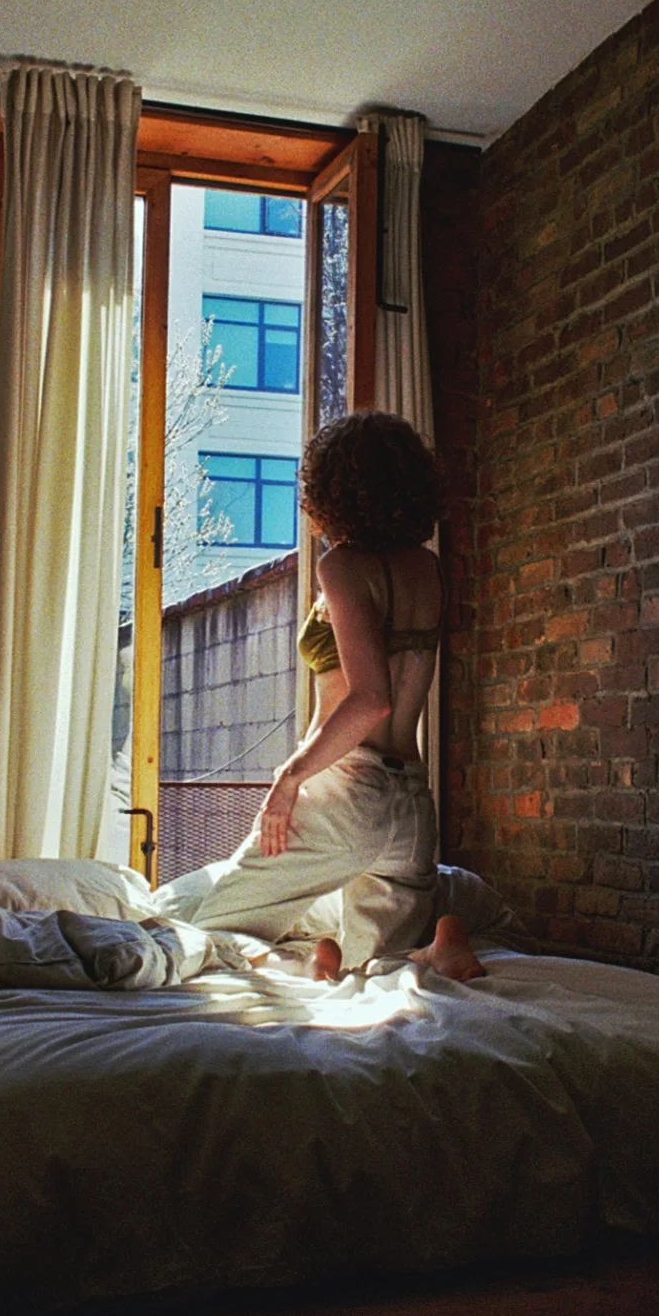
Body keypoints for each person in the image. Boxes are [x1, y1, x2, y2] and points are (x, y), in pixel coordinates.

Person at [168, 411, 485, 983]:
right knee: (377, 969)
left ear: (334, 490)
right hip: (412, 803)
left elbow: (370, 700)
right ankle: (429, 951)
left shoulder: (342, 566)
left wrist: (288, 780)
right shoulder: (430, 570)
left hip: (349, 792)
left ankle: (314, 958)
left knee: (216, 925)